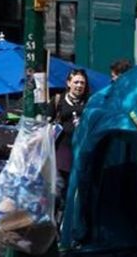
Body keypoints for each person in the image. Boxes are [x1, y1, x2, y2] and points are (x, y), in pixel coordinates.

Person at [49, 69, 90, 219]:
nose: (79, 85)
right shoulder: (58, 100)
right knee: (57, 193)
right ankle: (54, 225)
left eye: (82, 83)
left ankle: (67, 226)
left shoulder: (89, 103)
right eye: (76, 82)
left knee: (73, 195)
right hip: (60, 155)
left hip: (80, 156)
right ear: (68, 83)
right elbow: (46, 122)